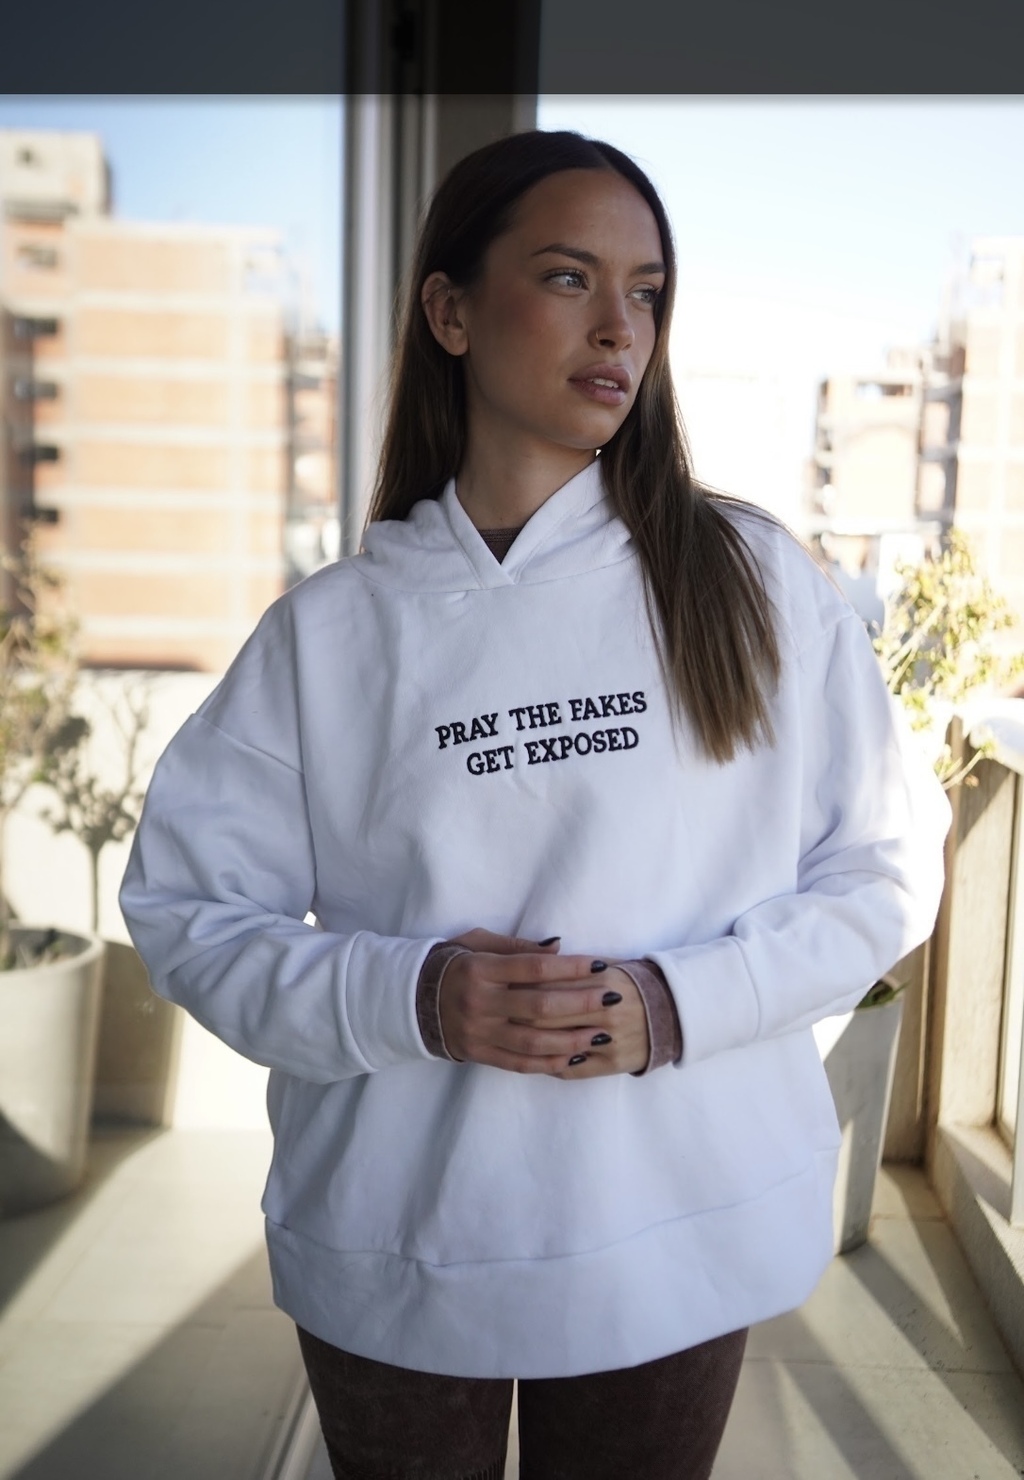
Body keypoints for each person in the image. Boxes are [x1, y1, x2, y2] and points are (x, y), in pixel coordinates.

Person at [119, 130, 951, 1480]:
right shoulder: (332, 633)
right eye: (569, 278)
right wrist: (415, 995)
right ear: (450, 311)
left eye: (647, 291)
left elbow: (884, 870)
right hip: (401, 1237)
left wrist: (676, 1003)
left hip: (678, 1219)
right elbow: (189, 912)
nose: (621, 327)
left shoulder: (752, 582)